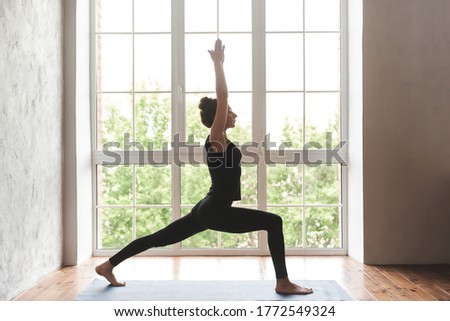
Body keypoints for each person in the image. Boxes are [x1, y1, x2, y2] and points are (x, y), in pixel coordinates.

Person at [96, 39, 313, 295]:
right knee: (274, 222)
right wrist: (218, 64)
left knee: (158, 238)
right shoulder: (216, 137)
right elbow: (222, 96)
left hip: (207, 207)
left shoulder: (220, 140)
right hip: (214, 209)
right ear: (219, 118)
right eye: (230, 112)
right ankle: (283, 282)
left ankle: (107, 265)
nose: (234, 115)